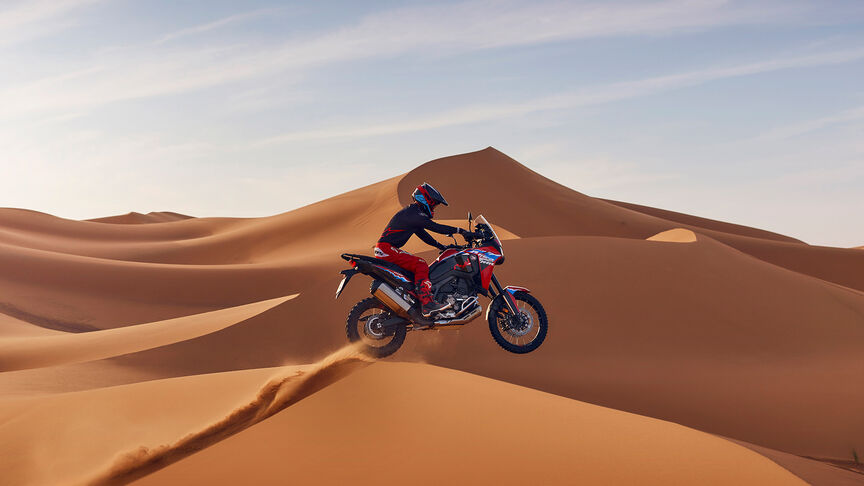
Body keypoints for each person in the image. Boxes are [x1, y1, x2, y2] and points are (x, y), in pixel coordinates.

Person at [375, 182, 474, 318]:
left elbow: (424, 235)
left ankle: (414, 301)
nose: (433, 207)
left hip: (387, 249)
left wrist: (442, 247)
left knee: (414, 272)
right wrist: (461, 231)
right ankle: (427, 304)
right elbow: (435, 227)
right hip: (387, 249)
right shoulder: (414, 213)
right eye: (433, 203)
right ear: (425, 199)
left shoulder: (413, 214)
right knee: (420, 264)